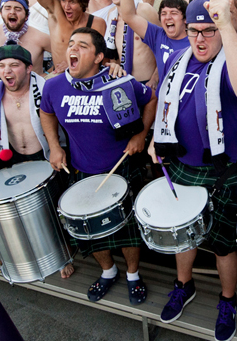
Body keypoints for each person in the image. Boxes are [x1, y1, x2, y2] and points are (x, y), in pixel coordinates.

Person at [148, 0, 237, 339]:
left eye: (209, 31)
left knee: (222, 244)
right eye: (194, 30)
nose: (200, 39)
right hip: (182, 165)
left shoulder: (231, 62)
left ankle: (228, 299)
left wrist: (226, 26)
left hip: (223, 170)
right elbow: (168, 103)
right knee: (183, 235)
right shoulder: (178, 59)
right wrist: (156, 138)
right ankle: (185, 284)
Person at [40, 28, 157, 305]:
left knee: (126, 229)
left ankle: (132, 274)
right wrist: (55, 146)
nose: (73, 49)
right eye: (71, 44)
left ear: (99, 57)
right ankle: (108, 271)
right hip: (82, 171)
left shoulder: (118, 81)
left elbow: (150, 98)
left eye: (82, 46)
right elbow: (46, 112)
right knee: (89, 232)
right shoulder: (54, 86)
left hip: (122, 168)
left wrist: (141, 135)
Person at [0, 42, 76, 278]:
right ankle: (16, 255)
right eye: (1, 66)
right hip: (11, 157)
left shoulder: (48, 87)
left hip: (46, 155)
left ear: (29, 68)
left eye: (14, 65)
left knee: (56, 210)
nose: (7, 71)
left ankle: (64, 255)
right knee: (15, 213)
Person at [0, 0, 51, 76]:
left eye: (18, 9)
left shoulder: (40, 37)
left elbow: (63, 57)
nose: (12, 12)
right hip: (3, 85)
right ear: (1, 13)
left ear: (26, 16)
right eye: (7, 8)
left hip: (33, 86)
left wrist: (48, 75)